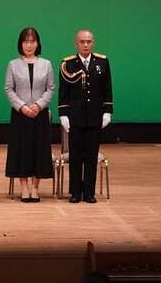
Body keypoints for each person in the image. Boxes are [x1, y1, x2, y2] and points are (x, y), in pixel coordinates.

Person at [58, 29, 113, 203]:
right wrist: (63, 114)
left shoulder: (102, 62)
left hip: (95, 117)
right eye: (82, 41)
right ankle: (75, 192)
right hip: (75, 118)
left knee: (91, 155)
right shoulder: (68, 64)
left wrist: (107, 111)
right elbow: (63, 92)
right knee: (75, 157)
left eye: (89, 41)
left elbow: (107, 89)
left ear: (93, 43)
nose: (86, 44)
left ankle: (89, 192)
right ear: (76, 43)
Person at [4, 27, 54, 202]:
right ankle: (24, 186)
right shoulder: (13, 64)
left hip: (39, 114)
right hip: (20, 114)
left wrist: (39, 106)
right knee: (21, 150)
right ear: (21, 44)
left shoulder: (46, 64)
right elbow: (9, 89)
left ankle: (35, 187)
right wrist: (22, 106)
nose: (29, 45)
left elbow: (50, 89)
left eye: (32, 41)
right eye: (26, 41)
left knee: (38, 150)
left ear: (37, 44)